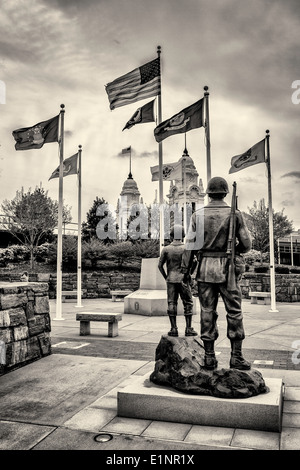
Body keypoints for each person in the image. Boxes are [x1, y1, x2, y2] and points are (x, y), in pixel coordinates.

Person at [181, 176, 252, 370]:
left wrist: (185, 270)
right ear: (225, 193)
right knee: (235, 313)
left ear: (209, 193)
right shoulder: (235, 214)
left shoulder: (198, 215)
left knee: (207, 313)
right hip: (227, 269)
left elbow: (190, 247)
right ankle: (236, 356)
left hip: (205, 270)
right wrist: (233, 248)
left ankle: (209, 357)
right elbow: (246, 245)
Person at [158, 224, 198, 337]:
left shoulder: (166, 249)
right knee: (188, 303)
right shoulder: (187, 248)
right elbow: (195, 262)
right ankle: (188, 328)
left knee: (171, 302)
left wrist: (166, 277)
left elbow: (160, 266)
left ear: (171, 235)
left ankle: (173, 328)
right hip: (184, 279)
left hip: (171, 279)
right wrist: (189, 273)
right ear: (183, 235)